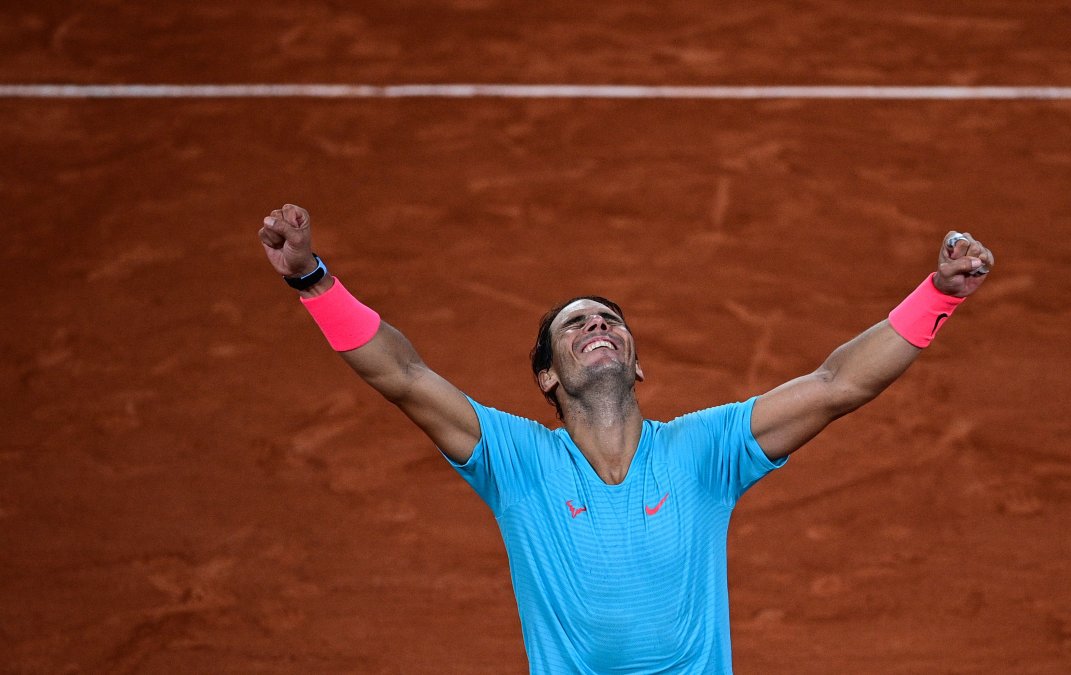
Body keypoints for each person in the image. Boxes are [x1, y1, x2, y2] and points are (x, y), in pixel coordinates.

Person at [258, 204, 994, 674]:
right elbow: (403, 373)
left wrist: (938, 294)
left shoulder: (707, 450)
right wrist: (314, 280)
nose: (597, 327)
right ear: (548, 376)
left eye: (609, 320)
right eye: (575, 325)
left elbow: (840, 384)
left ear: (637, 362)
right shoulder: (515, 462)